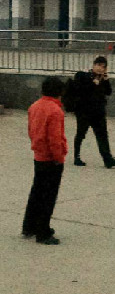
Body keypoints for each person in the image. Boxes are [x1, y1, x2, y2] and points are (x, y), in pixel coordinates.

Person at [23, 76, 69, 245]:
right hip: (51, 159)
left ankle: (29, 226)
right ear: (59, 93)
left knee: (36, 192)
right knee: (48, 196)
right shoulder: (56, 111)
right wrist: (59, 158)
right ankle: (43, 232)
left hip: (39, 155)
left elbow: (31, 130)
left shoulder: (34, 106)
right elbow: (55, 139)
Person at [69, 56, 115, 168]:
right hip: (84, 111)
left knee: (102, 135)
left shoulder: (102, 79)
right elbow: (80, 90)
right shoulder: (83, 76)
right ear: (93, 65)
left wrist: (106, 81)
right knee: (81, 134)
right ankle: (76, 157)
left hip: (98, 112)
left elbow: (108, 92)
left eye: (103, 67)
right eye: (98, 65)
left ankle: (108, 159)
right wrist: (93, 83)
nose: (100, 68)